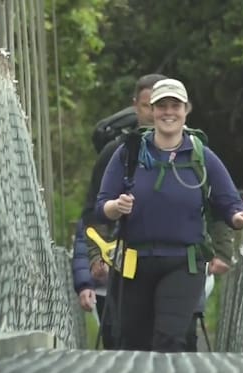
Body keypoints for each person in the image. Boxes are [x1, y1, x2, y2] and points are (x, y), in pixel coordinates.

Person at [93, 78, 243, 352]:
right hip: (133, 261)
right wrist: (116, 206)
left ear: (186, 110)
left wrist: (241, 218)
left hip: (183, 263)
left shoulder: (201, 156)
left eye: (175, 105)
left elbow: (229, 205)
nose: (168, 112)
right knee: (131, 342)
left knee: (171, 339)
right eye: (162, 106)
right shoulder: (129, 152)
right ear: (152, 109)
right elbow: (101, 205)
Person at [74, 73, 167, 349]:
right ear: (134, 106)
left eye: (159, 105)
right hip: (123, 263)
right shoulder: (116, 154)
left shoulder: (191, 153)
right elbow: (93, 212)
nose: (153, 113)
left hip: (170, 264)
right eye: (146, 105)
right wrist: (94, 256)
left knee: (169, 338)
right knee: (120, 337)